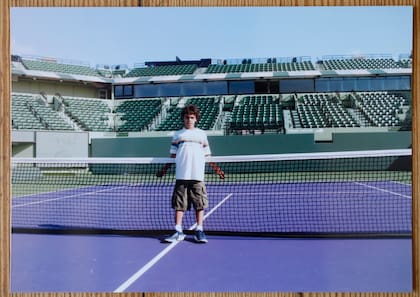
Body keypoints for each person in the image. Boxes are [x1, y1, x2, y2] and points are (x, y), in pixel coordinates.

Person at [157, 104, 224, 243]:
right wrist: (164, 169)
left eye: (192, 117)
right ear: (183, 119)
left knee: (199, 204)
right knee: (179, 204)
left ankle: (199, 229)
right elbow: (173, 155)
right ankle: (178, 230)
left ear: (196, 119)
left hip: (197, 176)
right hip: (181, 175)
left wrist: (217, 169)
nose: (189, 120)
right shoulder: (177, 134)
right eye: (187, 117)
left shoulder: (201, 134)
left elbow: (207, 155)